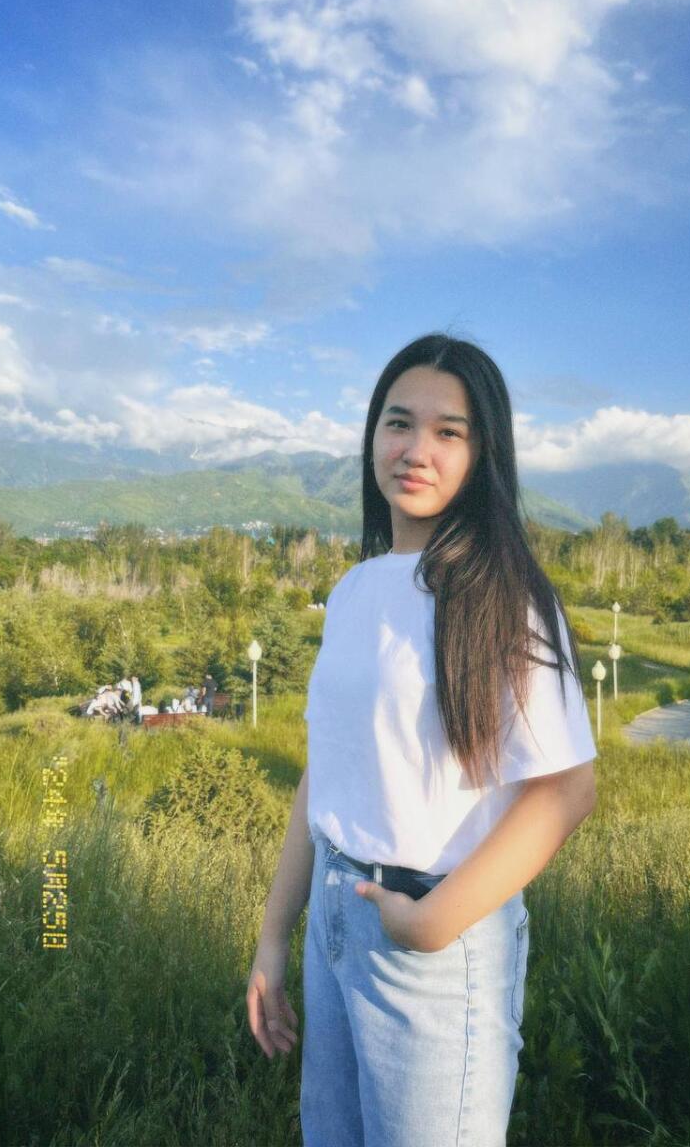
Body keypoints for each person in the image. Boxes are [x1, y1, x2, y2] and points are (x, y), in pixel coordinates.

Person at [245, 334, 598, 1147]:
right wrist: (273, 935)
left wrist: (434, 923)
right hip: (333, 917)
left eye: (450, 432)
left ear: (485, 454)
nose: (416, 450)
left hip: (435, 936)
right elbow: (323, 776)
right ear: (373, 434)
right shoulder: (353, 590)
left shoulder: (504, 597)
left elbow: (566, 789)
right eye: (399, 423)